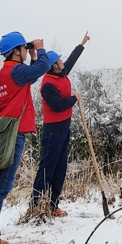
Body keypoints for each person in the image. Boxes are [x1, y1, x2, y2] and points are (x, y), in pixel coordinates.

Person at [0, 31, 50, 244]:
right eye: (24, 49)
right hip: (12, 134)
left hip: (2, 132)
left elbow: (33, 75)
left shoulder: (8, 72)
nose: (27, 52)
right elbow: (41, 69)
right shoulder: (16, 71)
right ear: (16, 51)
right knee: (0, 187)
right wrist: (41, 49)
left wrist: (34, 57)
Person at [31, 31, 90, 216]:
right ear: (54, 65)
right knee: (48, 167)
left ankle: (52, 204)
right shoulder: (48, 84)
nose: (63, 62)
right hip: (52, 131)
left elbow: (71, 60)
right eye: (59, 60)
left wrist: (82, 43)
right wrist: (74, 99)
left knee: (60, 167)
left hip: (64, 127)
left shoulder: (61, 74)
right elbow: (57, 106)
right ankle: (36, 204)